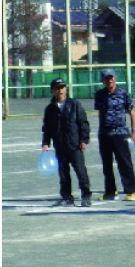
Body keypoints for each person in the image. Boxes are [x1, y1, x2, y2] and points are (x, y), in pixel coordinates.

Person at [42, 78, 92, 207]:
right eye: (57, 88)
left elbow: (83, 123)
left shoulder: (74, 104)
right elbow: (47, 128)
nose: (61, 90)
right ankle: (67, 197)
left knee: (81, 172)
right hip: (60, 145)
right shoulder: (50, 109)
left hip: (75, 145)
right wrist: (46, 142)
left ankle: (86, 196)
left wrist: (84, 140)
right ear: (52, 91)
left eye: (63, 87)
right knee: (63, 174)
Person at [94, 68, 135, 201]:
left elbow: (131, 112)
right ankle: (110, 191)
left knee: (124, 162)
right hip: (104, 134)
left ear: (115, 78)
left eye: (111, 77)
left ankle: (131, 191)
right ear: (102, 80)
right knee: (107, 164)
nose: (110, 80)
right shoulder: (99, 95)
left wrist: (133, 132)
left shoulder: (123, 93)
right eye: (106, 78)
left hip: (120, 133)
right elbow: (100, 112)